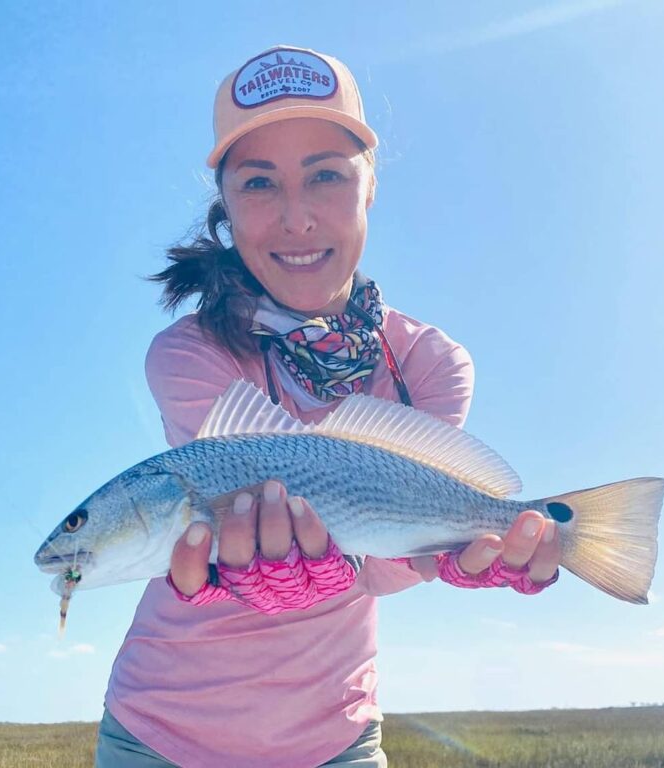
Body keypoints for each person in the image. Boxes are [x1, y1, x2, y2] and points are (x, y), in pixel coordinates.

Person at [95, 45, 560, 768]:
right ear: (226, 203)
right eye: (258, 183)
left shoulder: (431, 364)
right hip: (158, 735)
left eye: (326, 177)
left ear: (370, 187)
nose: (297, 220)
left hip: (335, 739)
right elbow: (216, 528)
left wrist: (447, 557)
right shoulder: (187, 352)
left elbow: (380, 559)